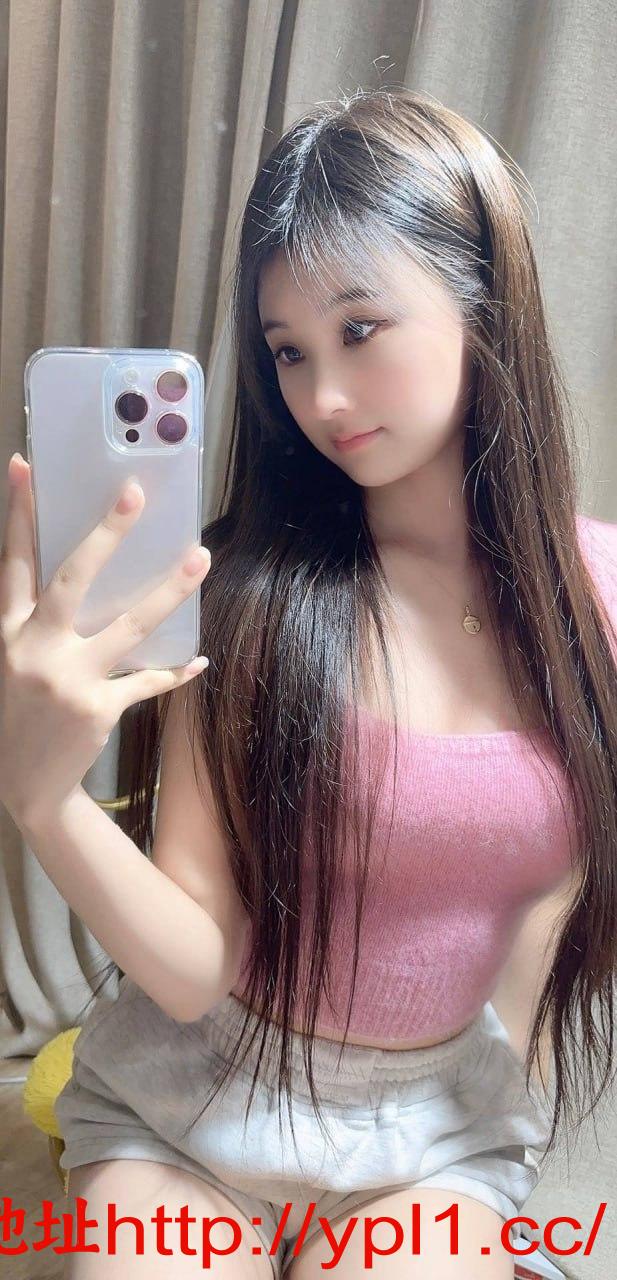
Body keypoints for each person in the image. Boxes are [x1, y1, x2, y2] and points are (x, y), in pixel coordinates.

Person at [2, 86, 616, 1278]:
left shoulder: (594, 605)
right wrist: (43, 797)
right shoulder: (243, 590)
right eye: (288, 350)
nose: (321, 396)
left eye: (359, 328)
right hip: (195, 1103)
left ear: (483, 300)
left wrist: (505, 1120)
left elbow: (558, 900)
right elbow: (193, 969)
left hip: (429, 1135)